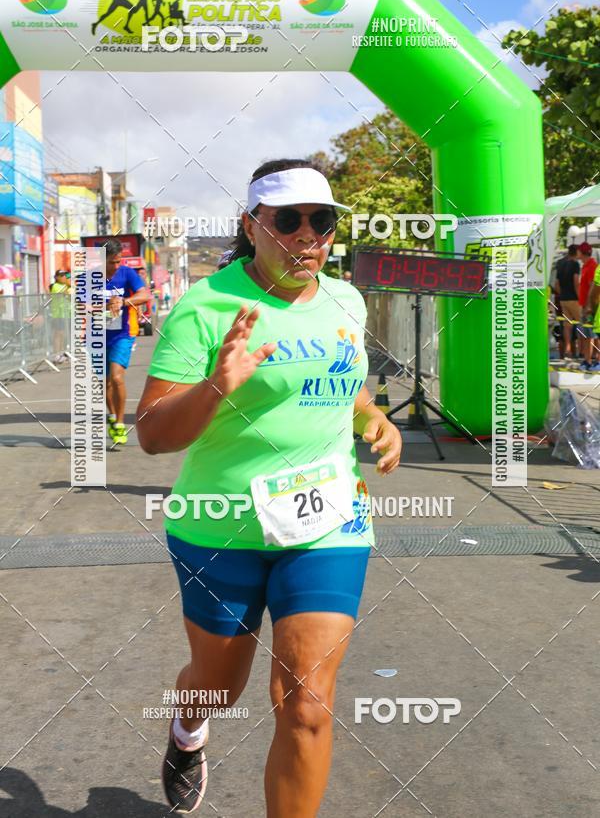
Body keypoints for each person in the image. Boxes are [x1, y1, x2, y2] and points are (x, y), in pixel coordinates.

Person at [136, 158, 402, 815]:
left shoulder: (347, 299)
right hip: (219, 523)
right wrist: (217, 385)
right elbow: (152, 433)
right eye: (290, 220)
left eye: (323, 220)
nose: (308, 234)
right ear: (252, 225)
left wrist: (372, 419)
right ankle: (188, 727)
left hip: (327, 526)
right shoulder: (207, 307)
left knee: (307, 703)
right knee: (217, 688)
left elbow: (349, 384)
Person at [104, 239, 150, 444]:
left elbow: (144, 294)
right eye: (111, 262)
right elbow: (79, 303)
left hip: (122, 334)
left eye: (118, 261)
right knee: (104, 383)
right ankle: (113, 417)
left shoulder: (127, 273)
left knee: (117, 377)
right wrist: (102, 306)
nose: (115, 266)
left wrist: (123, 301)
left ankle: (120, 423)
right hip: (97, 335)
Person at [555, 244, 581, 359]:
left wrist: (562, 294)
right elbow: (576, 282)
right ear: (576, 252)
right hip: (574, 299)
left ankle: (568, 350)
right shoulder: (575, 264)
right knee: (582, 324)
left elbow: (556, 284)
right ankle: (582, 351)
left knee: (567, 326)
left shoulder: (560, 264)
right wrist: (580, 297)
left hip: (563, 299)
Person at [577, 242, 599, 369]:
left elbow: (593, 287)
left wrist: (589, 307)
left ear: (582, 252)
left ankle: (594, 361)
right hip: (584, 305)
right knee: (586, 335)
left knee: (591, 335)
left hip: (589, 307)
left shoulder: (592, 266)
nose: (577, 253)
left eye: (579, 251)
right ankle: (588, 360)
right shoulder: (585, 266)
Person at [49, 269, 71, 359]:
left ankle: (61, 353)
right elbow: (66, 293)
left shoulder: (67, 286)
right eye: (61, 276)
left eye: (65, 276)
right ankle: (56, 354)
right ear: (57, 277)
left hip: (67, 314)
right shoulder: (55, 286)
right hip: (58, 314)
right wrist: (68, 284)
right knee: (58, 334)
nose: (64, 277)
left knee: (64, 335)